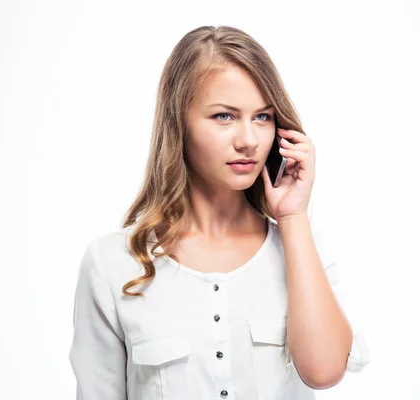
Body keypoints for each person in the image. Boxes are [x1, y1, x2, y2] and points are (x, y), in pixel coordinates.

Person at [68, 25, 370, 400]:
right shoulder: (113, 264)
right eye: (224, 116)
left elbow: (324, 373)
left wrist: (293, 219)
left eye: (262, 117)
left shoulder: (304, 251)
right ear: (179, 123)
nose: (248, 140)